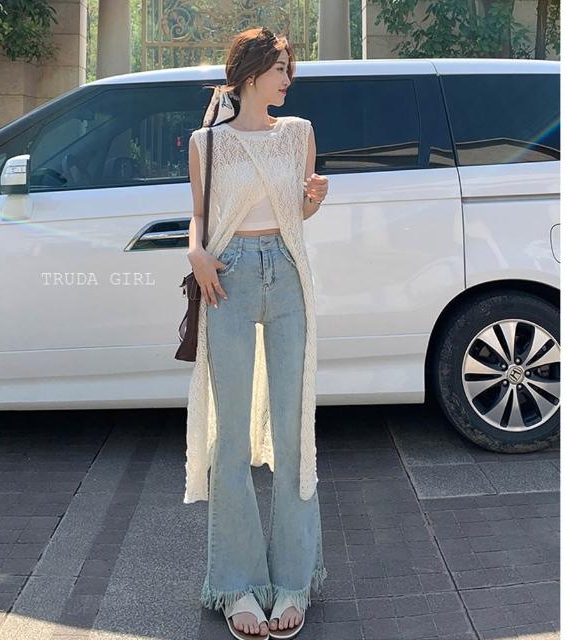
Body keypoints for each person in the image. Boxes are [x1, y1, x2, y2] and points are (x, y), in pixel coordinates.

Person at [186, 26, 329, 640]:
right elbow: (199, 214)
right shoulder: (206, 143)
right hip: (229, 279)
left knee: (295, 432)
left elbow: (296, 213)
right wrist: (196, 253)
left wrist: (314, 200)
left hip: (288, 276)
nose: (288, 79)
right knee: (231, 438)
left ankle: (294, 579)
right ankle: (238, 584)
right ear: (250, 74)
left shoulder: (298, 134)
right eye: (280, 69)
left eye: (289, 69)